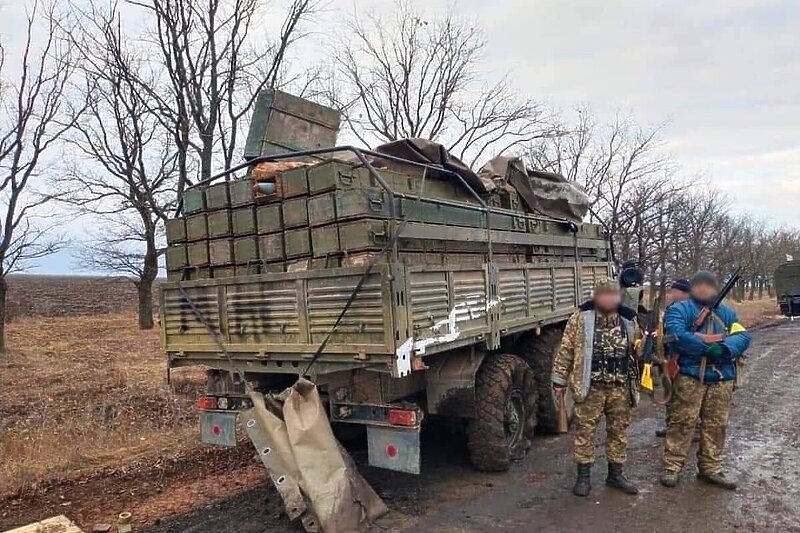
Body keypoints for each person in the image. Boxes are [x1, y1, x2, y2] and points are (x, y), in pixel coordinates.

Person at [660, 271, 751, 489]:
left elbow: (743, 336)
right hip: (690, 376)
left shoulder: (727, 313)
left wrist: (724, 348)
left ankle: (710, 468)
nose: (705, 290)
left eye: (709, 286)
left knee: (716, 425)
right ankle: (672, 467)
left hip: (722, 378)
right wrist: (707, 347)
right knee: (682, 423)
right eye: (700, 286)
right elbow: (676, 336)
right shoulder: (680, 310)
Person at [552, 279, 642, 497]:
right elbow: (566, 350)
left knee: (618, 432)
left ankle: (616, 474)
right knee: (585, 432)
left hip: (619, 387)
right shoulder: (581, 318)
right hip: (590, 386)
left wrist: (645, 347)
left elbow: (636, 349)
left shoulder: (629, 319)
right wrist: (559, 380)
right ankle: (583, 477)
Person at [654, 278, 691, 438]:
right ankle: (671, 425)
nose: (672, 293)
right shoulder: (671, 308)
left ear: (683, 293)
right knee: (669, 391)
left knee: (685, 396)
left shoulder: (690, 310)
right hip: (668, 357)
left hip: (681, 357)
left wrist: (664, 337)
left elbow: (683, 335)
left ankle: (692, 428)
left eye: (674, 291)